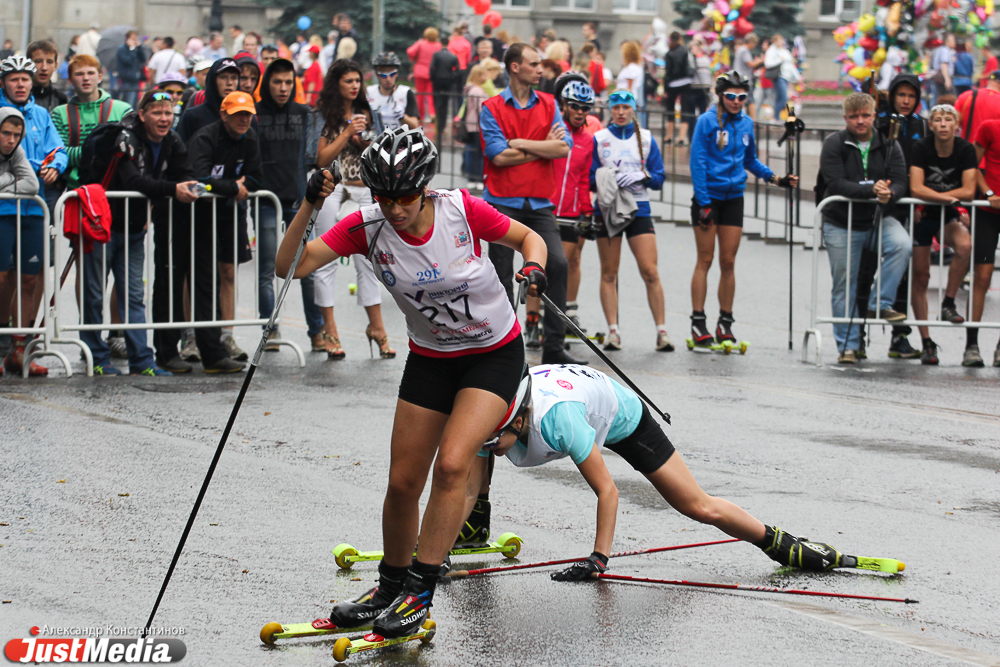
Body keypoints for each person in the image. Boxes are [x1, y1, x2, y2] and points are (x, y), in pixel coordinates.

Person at [275, 126, 547, 639]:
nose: (394, 208)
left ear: (424, 187)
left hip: (492, 355)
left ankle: (420, 592)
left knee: (451, 466)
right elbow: (289, 265)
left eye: (403, 196)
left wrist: (534, 265)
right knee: (403, 482)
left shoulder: (461, 210)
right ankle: (388, 587)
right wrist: (309, 204)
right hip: (432, 358)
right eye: (383, 197)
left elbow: (526, 236)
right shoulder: (368, 226)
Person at [480, 364, 864, 582]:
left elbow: (608, 492)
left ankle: (781, 543)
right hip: (581, 395)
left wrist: (598, 559)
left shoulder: (562, 422)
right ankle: (474, 524)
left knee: (697, 506)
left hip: (624, 418)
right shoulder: (502, 408)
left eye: (497, 438)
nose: (492, 443)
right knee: (478, 453)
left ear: (520, 420)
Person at [480, 43, 584, 365]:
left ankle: (554, 345)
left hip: (539, 202)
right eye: (534, 64)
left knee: (557, 264)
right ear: (515, 67)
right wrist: (543, 146)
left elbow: (563, 149)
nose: (541, 70)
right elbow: (497, 155)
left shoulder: (550, 103)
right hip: (501, 200)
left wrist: (521, 144)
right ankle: (504, 348)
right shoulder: (491, 106)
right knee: (500, 273)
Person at [689, 72, 796, 350]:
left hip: (734, 197)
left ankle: (725, 322)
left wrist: (776, 179)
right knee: (706, 259)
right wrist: (703, 204)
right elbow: (698, 164)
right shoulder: (706, 122)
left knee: (728, 262)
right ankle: (698, 321)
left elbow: (751, 160)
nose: (736, 102)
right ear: (720, 96)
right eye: (730, 96)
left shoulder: (746, 123)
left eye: (741, 97)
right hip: (708, 198)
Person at [77, 91, 179, 377]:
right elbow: (133, 180)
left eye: (168, 112)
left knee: (134, 296)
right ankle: (96, 356)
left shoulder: (171, 140)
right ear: (142, 114)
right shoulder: (125, 138)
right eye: (157, 112)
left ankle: (142, 361)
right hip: (103, 228)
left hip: (134, 229)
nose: (163, 118)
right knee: (94, 293)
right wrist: (172, 190)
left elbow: (182, 171)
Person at [817, 93, 910, 364]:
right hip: (841, 222)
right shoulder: (834, 143)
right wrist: (872, 189)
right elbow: (835, 183)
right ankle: (848, 345)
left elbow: (900, 181)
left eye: (865, 115)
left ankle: (878, 303)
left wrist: (889, 194)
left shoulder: (889, 144)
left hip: (878, 218)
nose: (860, 121)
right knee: (844, 283)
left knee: (901, 244)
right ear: (845, 118)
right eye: (854, 116)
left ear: (873, 116)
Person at [313, 59, 395, 359]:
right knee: (326, 260)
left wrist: (365, 142)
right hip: (332, 189)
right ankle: (329, 329)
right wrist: (347, 133)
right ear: (337, 84)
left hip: (364, 190)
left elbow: (377, 153)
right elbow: (321, 159)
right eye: (349, 81)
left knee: (371, 261)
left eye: (358, 81)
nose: (355, 86)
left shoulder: (368, 114)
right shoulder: (324, 115)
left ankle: (377, 328)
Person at [184, 91, 263, 366]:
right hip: (200, 213)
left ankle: (226, 334)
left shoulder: (250, 137)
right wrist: (233, 186)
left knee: (228, 269)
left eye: (247, 115)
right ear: (223, 115)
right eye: (237, 115)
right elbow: (199, 176)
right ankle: (192, 334)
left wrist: (241, 187)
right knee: (198, 274)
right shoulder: (205, 138)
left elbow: (255, 175)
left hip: (231, 213)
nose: (243, 120)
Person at [0, 56, 68, 376]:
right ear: (3, 83)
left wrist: (55, 165)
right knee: (1, 278)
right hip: (2, 209)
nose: (21, 84)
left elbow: (59, 150)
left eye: (25, 79)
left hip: (33, 208)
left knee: (29, 278)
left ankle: (19, 348)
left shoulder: (41, 114)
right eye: (14, 79)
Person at [588, 90, 669, 352]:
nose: (621, 112)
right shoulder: (600, 138)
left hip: (638, 206)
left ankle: (662, 331)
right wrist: (609, 175)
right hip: (609, 208)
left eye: (625, 107)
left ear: (634, 109)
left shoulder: (644, 138)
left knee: (650, 270)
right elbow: (589, 176)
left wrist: (641, 176)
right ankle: (613, 330)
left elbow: (659, 177)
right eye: (616, 107)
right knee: (609, 272)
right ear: (610, 110)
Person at [254, 57, 324, 353]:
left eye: (288, 82)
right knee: (268, 269)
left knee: (306, 268)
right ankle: (269, 328)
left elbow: (313, 156)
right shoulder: (255, 114)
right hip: (267, 200)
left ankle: (317, 331)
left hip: (299, 201)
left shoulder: (304, 112)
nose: (282, 88)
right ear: (267, 84)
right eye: (276, 82)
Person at [905, 104, 977, 365]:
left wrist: (944, 199)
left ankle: (948, 302)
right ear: (931, 125)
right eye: (938, 120)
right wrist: (947, 197)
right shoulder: (921, 148)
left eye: (949, 120)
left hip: (948, 212)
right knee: (921, 276)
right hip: (923, 213)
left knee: (965, 246)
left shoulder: (965, 149)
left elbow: (970, 191)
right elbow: (915, 188)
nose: (944, 124)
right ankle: (926, 342)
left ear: (956, 125)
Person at [874, 73, 928, 360]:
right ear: (893, 95)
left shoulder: (921, 125)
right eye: (901, 95)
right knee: (868, 265)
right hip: (881, 200)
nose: (906, 101)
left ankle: (900, 336)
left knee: (904, 269)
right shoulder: (880, 121)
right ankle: (855, 337)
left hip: (910, 203)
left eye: (911, 96)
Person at [552, 78, 597, 337]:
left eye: (586, 108)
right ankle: (534, 321)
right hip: (546, 209)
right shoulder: (554, 131)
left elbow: (582, 179)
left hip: (570, 212)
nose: (581, 112)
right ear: (565, 106)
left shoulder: (587, 141)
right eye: (576, 107)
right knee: (542, 267)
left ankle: (563, 316)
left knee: (565, 264)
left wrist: (587, 212)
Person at [51, 55, 133, 189]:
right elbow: (60, 153)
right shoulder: (59, 113)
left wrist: (83, 154)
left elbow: (130, 151)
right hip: (75, 189)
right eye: (79, 74)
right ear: (70, 80)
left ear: (100, 77)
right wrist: (101, 152)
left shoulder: (123, 110)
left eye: (90, 73)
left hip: (115, 188)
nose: (86, 78)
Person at [0, 107, 38, 378]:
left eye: (16, 134)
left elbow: (32, 185)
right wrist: (13, 180)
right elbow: (21, 181)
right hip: (5, 217)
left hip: (25, 217)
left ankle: (18, 350)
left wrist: (6, 182)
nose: (11, 139)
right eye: (5, 133)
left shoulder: (17, 152)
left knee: (29, 280)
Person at [967, 119, 1000, 367]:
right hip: (987, 212)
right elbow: (971, 164)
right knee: (982, 276)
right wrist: (988, 193)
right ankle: (971, 345)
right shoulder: (990, 126)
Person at [177, 57, 241, 141]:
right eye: (223, 77)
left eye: (233, 78)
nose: (229, 83)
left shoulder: (245, 117)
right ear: (213, 81)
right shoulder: (192, 116)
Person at [367, 52, 419, 132]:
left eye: (392, 74)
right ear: (377, 75)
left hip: (400, 140)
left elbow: (415, 125)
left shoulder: (406, 92)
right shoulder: (369, 93)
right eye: (383, 75)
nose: (388, 79)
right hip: (376, 139)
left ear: (397, 73)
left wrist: (403, 117)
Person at [461, 65, 490, 191]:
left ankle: (472, 177)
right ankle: (476, 177)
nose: (486, 78)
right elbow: (481, 108)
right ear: (478, 76)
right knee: (477, 153)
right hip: (477, 125)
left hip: (471, 124)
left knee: (472, 151)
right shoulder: (477, 91)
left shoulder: (470, 88)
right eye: (484, 75)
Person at [663, 32, 692, 146]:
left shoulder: (669, 53)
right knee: (684, 110)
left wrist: (665, 87)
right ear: (680, 39)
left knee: (671, 110)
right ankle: (681, 137)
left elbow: (668, 72)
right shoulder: (685, 50)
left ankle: (669, 136)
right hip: (686, 82)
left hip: (672, 84)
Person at [407, 28, 442, 122]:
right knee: (431, 94)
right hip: (433, 72)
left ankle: (420, 116)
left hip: (420, 72)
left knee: (420, 95)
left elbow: (410, 51)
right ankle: (432, 113)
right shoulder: (439, 46)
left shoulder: (421, 43)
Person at [956, 71, 1000, 144]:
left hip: (966, 150)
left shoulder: (966, 96)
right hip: (991, 153)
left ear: (989, 81)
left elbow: (954, 124)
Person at [429, 40, 460, 142]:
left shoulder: (436, 55)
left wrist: (433, 77)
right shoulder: (453, 56)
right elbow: (457, 70)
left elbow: (432, 67)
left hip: (437, 80)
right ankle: (443, 124)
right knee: (446, 103)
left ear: (441, 43)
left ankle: (438, 124)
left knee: (437, 102)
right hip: (448, 81)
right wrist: (452, 77)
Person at [27, 40, 66, 112]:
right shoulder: (19, 95)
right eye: (38, 61)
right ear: (28, 64)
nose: (44, 67)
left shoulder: (61, 99)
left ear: (55, 66)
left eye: (49, 62)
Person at [764, 34, 796, 119]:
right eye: (778, 40)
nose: (780, 42)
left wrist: (798, 77)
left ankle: (776, 117)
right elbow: (768, 64)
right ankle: (776, 117)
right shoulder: (771, 51)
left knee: (780, 98)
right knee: (783, 97)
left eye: (781, 40)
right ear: (774, 42)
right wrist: (779, 60)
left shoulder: (785, 51)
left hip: (786, 77)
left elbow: (791, 65)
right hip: (779, 77)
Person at [732, 35, 762, 120]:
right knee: (750, 100)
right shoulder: (744, 50)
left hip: (738, 79)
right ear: (751, 42)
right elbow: (750, 64)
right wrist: (759, 60)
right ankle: (754, 121)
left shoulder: (740, 49)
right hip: (744, 79)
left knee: (740, 99)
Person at [115, 31, 147, 108]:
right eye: (132, 38)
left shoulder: (136, 49)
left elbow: (143, 59)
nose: (134, 41)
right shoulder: (122, 49)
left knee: (135, 103)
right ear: (127, 39)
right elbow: (128, 61)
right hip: (126, 80)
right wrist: (132, 50)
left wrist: (139, 48)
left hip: (136, 80)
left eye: (136, 39)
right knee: (128, 104)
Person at [930, 34, 956, 106]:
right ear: (947, 42)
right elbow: (944, 65)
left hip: (940, 78)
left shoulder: (941, 50)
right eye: (953, 40)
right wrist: (947, 79)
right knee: (949, 99)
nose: (954, 42)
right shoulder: (945, 50)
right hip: (943, 78)